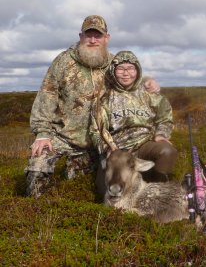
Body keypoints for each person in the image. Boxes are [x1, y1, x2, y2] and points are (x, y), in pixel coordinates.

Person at [25, 15, 159, 198]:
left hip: (96, 144)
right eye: (89, 35)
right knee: (37, 169)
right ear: (81, 36)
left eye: (98, 35)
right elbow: (47, 96)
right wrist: (42, 134)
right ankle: (36, 213)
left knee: (82, 188)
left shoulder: (114, 64)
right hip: (61, 136)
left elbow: (130, 81)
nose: (93, 40)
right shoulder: (63, 62)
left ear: (107, 38)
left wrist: (148, 83)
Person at [90, 50, 178, 198]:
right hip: (117, 150)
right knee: (104, 192)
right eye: (120, 69)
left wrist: (161, 134)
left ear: (137, 70)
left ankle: (157, 192)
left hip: (145, 144)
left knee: (167, 151)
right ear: (113, 70)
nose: (126, 73)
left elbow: (165, 116)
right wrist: (107, 148)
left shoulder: (148, 94)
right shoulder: (104, 98)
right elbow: (95, 131)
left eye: (130, 68)